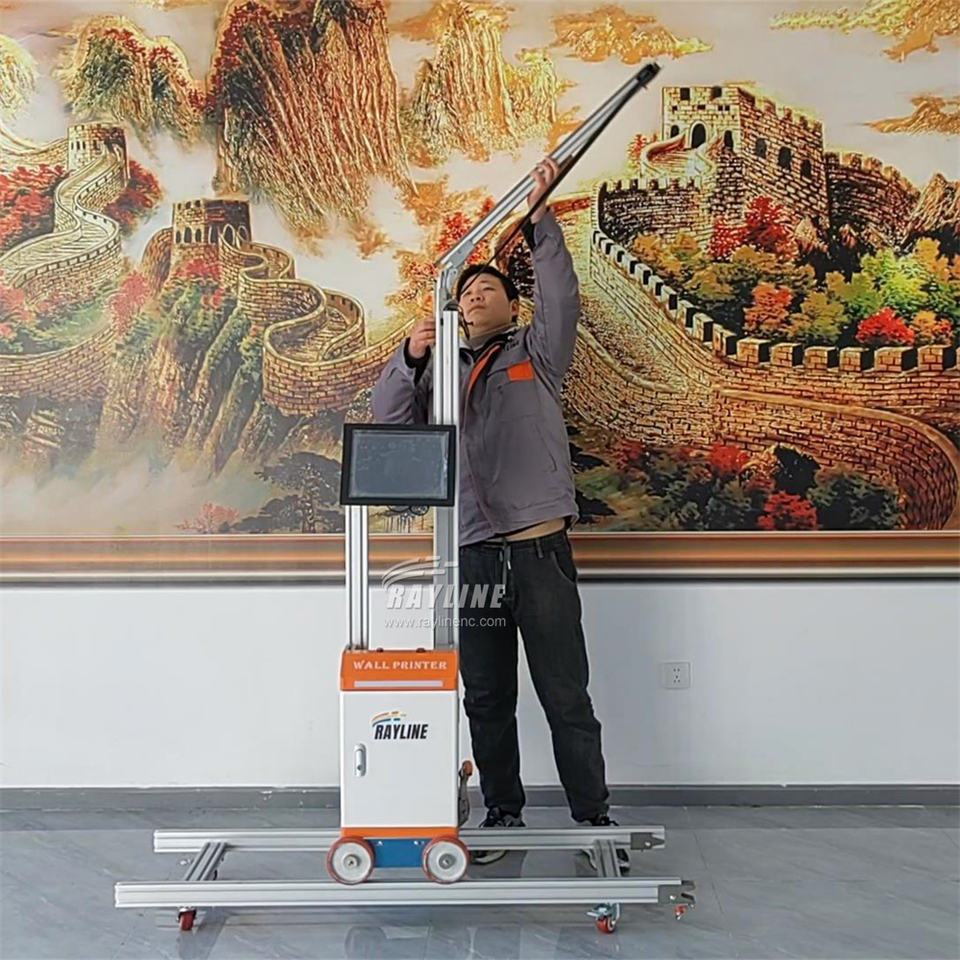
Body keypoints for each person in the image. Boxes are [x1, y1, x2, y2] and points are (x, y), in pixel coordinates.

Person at [371, 157, 626, 870]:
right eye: (467, 291)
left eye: (489, 289)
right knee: (485, 696)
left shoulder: (535, 356)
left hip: (538, 554)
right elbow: (389, 421)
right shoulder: (438, 372)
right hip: (473, 557)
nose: (476, 296)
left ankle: (593, 818)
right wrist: (409, 358)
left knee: (565, 694)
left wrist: (540, 217)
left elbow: (562, 297)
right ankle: (503, 812)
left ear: (512, 307)